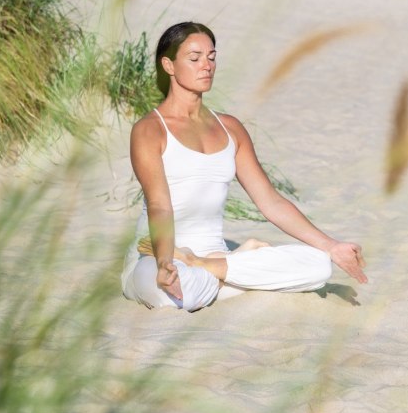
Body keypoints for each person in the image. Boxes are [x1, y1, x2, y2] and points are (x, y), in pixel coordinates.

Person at [121, 22, 368, 311]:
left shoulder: (230, 128)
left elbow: (271, 202)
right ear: (169, 65)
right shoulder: (150, 130)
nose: (206, 66)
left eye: (211, 57)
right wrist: (165, 262)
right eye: (195, 58)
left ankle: (208, 266)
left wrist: (332, 246)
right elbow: (160, 205)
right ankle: (230, 272)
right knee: (171, 294)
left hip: (213, 255)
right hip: (157, 253)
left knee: (319, 266)